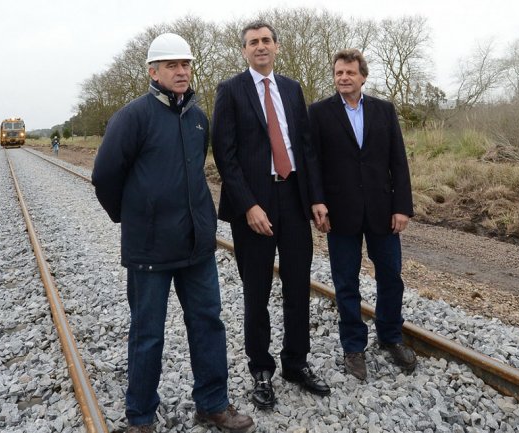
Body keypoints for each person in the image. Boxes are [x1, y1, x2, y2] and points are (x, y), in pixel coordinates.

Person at [91, 33, 254, 433]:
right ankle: (141, 417)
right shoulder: (132, 117)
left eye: (186, 64)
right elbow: (105, 176)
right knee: (147, 334)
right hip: (149, 250)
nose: (182, 71)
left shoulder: (199, 118)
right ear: (153, 71)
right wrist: (131, 218)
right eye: (172, 65)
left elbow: (196, 169)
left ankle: (213, 404)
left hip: (196, 246)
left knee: (208, 324)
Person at [211, 21, 330, 410]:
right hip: (254, 208)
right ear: (244, 51)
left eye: (266, 41)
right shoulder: (230, 91)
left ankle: (296, 363)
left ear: (277, 47)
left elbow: (306, 148)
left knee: (298, 288)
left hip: (294, 202)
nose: (260, 47)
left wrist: (315, 198)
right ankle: (261, 370)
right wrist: (248, 206)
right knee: (256, 293)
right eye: (252, 43)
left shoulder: (293, 89)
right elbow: (224, 156)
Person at [308, 49, 417, 381]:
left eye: (350, 73)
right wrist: (317, 202)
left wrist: (402, 206)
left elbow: (397, 160)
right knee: (346, 282)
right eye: (339, 72)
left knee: (390, 277)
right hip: (339, 213)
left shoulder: (383, 110)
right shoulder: (318, 112)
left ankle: (390, 336)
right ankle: (353, 346)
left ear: (363, 76)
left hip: (383, 211)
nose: (343, 78)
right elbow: (312, 161)